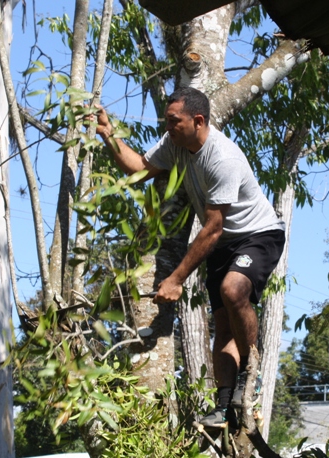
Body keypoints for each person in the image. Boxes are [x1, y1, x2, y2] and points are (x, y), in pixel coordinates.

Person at [94, 87, 285, 427]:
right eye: (167, 121)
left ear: (198, 121)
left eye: (174, 121)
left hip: (258, 235)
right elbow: (139, 168)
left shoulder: (222, 158)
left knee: (232, 290)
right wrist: (108, 134)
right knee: (222, 326)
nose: (168, 128)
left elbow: (212, 227)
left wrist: (176, 278)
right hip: (224, 243)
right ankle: (225, 406)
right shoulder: (175, 144)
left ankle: (250, 374)